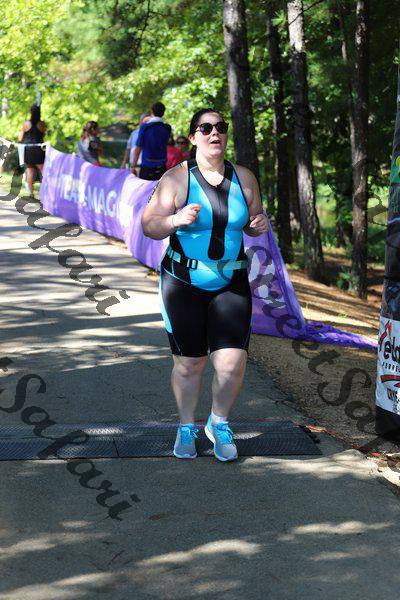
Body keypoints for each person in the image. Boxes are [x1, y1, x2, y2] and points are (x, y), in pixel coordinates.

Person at [141, 108, 269, 462]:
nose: (215, 133)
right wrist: (174, 220)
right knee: (190, 363)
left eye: (221, 127)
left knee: (232, 362)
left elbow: (254, 220)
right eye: (206, 128)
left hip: (231, 281)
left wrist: (257, 224)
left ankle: (219, 422)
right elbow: (149, 225)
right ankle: (186, 427)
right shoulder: (176, 178)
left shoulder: (244, 177)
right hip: (183, 281)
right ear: (193, 136)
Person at [132, 101, 171, 180]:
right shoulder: (167, 128)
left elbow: (138, 148)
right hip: (162, 168)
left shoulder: (145, 128)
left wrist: (133, 165)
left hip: (147, 168)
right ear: (163, 113)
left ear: (152, 112)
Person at [18, 104, 47, 198]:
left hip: (28, 149)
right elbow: (43, 134)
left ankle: (31, 193)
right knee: (43, 170)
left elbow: (20, 138)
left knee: (30, 171)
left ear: (30, 112)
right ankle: (44, 192)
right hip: (38, 149)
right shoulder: (42, 124)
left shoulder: (26, 124)